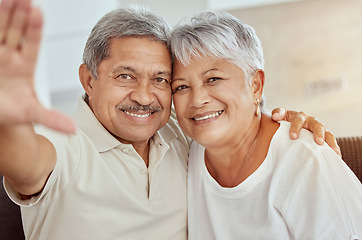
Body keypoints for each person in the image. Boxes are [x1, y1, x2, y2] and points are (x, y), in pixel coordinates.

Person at [0, 0, 340, 239]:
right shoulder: (64, 145)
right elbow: (26, 163)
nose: (145, 96)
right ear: (89, 80)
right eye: (126, 76)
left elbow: (224, 115)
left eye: (162, 80)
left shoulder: (179, 134)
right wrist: (9, 123)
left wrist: (280, 121)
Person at [170, 11, 362, 240]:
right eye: (181, 87)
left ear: (255, 86)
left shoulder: (306, 161)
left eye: (213, 79)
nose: (197, 99)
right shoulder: (185, 154)